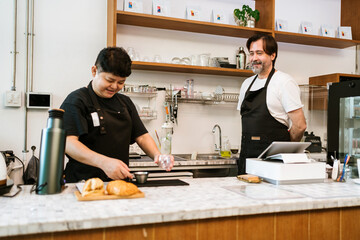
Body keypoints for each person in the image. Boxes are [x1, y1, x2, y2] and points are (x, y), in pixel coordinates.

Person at [60, 47, 174, 183]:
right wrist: (103, 162)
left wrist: (158, 156)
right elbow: (69, 143)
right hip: (83, 184)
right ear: (94, 71)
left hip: (119, 184)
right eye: (110, 80)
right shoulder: (77, 101)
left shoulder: (125, 102)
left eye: (121, 82)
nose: (114, 86)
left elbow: (142, 137)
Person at [237, 33, 307, 174]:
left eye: (259, 53)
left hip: (273, 164)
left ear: (273, 55)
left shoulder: (284, 82)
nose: (254, 58)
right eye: (251, 53)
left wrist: (286, 148)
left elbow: (300, 126)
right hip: (247, 160)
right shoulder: (246, 84)